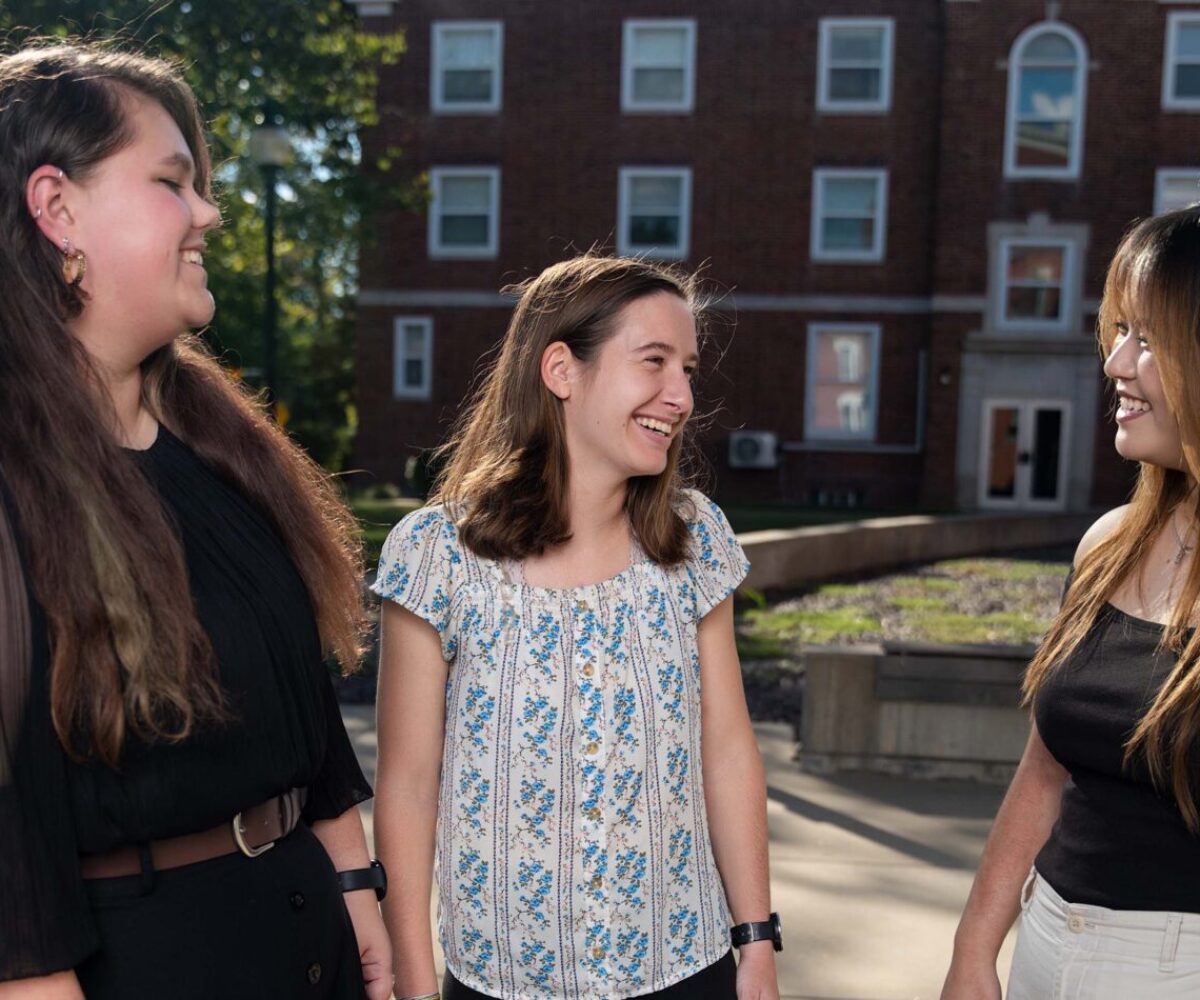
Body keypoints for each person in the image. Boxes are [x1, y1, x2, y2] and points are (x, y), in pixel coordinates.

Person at [0, 42, 391, 999]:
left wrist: (357, 886)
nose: (210, 212)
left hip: (312, 940)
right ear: (58, 211)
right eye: (174, 180)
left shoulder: (224, 448)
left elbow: (302, 708)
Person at [372, 254, 782, 1000]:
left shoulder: (694, 540)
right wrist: (412, 977)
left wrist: (755, 942)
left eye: (687, 369)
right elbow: (407, 786)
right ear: (561, 370)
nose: (682, 395)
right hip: (502, 983)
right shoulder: (438, 557)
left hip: (684, 969)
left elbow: (727, 750)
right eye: (653, 362)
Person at [942, 205, 1200, 999]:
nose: (1116, 362)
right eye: (1118, 330)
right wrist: (974, 950)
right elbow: (1045, 771)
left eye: (1148, 339)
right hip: (1046, 939)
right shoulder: (1108, 544)